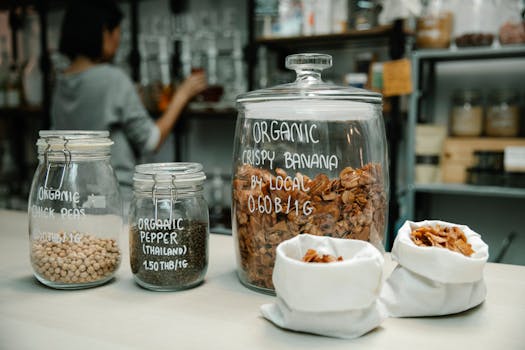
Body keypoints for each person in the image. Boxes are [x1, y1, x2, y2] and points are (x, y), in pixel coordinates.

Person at [51, 0, 207, 204]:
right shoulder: (113, 79)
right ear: (104, 32)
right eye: (117, 32)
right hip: (112, 201)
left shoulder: (60, 82)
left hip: (71, 200)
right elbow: (151, 141)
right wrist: (182, 95)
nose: (118, 40)